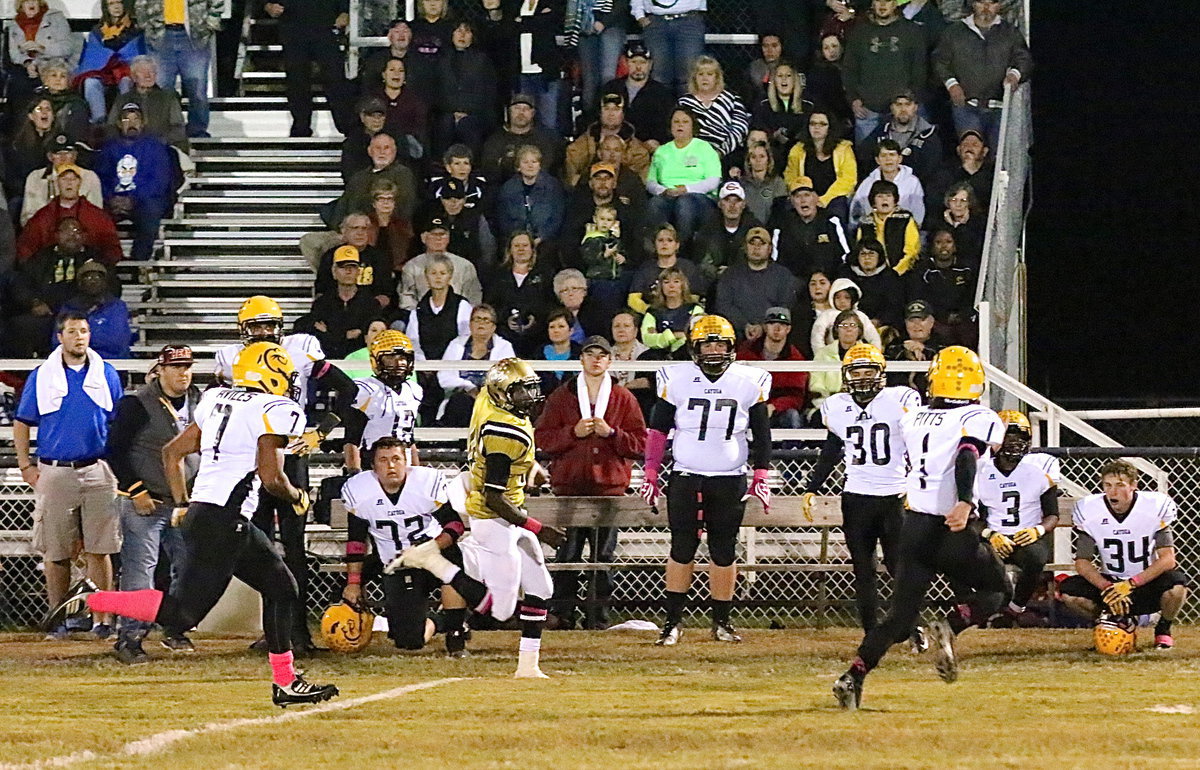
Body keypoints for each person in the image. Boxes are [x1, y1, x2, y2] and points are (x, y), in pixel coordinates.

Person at [59, 343, 340, 706]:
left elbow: (171, 453)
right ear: (268, 372)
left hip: (206, 513)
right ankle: (92, 599)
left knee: (281, 588)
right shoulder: (273, 408)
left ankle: (285, 681)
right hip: (226, 520)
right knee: (181, 614)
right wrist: (298, 496)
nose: (288, 382)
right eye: (284, 374)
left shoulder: (217, 399)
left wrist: (182, 503)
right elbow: (272, 478)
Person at [832, 346, 1008, 710]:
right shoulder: (979, 417)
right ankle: (951, 625)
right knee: (999, 589)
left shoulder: (915, 416)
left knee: (900, 617)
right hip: (951, 526)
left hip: (914, 525)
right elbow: (966, 455)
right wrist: (964, 501)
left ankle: (854, 674)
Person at [394, 358, 567, 677]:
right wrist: (539, 529)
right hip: (494, 520)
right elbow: (493, 496)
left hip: (504, 510)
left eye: (531, 389)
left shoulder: (490, 401)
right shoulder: (505, 433)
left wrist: (531, 468)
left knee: (540, 587)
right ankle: (444, 564)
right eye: (521, 391)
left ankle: (527, 667)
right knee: (500, 611)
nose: (530, 397)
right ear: (503, 395)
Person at [213, 296, 358, 652]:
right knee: (260, 546)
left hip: (291, 454)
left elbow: (348, 389)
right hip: (252, 457)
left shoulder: (301, 348)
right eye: (257, 326)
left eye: (269, 325)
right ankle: (274, 633)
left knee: (294, 546)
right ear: (243, 330)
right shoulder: (230, 358)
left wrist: (320, 431)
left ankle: (299, 634)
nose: (264, 332)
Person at [640, 315, 772, 645]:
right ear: (694, 348)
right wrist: (652, 471)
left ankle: (722, 622)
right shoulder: (677, 378)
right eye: (707, 344)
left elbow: (761, 431)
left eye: (720, 343)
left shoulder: (748, 381)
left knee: (723, 550)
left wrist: (762, 472)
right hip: (686, 474)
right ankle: (671, 623)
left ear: (731, 347)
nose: (714, 350)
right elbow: (658, 430)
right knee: (682, 547)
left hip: (729, 477)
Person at [14, 311, 123, 640]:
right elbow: (23, 422)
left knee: (100, 550)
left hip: (99, 469)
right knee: (56, 552)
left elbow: (119, 421)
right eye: (73, 331)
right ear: (60, 337)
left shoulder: (106, 373)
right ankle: (58, 620)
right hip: (56, 469)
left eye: (85, 331)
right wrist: (25, 466)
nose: (80, 337)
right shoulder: (42, 375)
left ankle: (103, 619)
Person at [804, 344, 920, 632]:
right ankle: (871, 632)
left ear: (881, 373)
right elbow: (832, 450)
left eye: (870, 371)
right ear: (846, 374)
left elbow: (918, 446)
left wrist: (918, 482)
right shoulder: (837, 406)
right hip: (856, 497)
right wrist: (812, 487)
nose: (864, 378)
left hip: (895, 496)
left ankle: (912, 625)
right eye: (858, 371)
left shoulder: (900, 400)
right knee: (863, 570)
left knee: (899, 567)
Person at [536, 336, 646, 630]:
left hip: (608, 490)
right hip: (569, 489)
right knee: (567, 555)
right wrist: (572, 433)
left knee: (602, 558)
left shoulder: (623, 398)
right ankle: (562, 615)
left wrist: (612, 434)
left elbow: (639, 444)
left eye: (602, 355)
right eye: (590, 354)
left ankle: (597, 617)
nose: (596, 359)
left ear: (610, 361)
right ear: (581, 359)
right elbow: (543, 439)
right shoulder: (562, 396)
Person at [104, 344, 201, 663]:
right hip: (144, 501)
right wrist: (135, 489)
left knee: (187, 567)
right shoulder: (136, 403)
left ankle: (174, 626)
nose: (182, 372)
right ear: (159, 369)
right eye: (175, 367)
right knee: (139, 571)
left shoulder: (198, 399)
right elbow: (115, 449)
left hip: (182, 501)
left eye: (187, 366)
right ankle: (129, 636)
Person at [341, 438, 482, 655]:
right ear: (373, 466)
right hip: (397, 563)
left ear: (406, 462)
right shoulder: (360, 492)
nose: (390, 466)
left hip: (433, 555)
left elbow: (454, 526)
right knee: (409, 641)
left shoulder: (424, 484)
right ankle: (439, 619)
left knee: (451, 562)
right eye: (383, 460)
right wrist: (353, 583)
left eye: (396, 459)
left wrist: (431, 548)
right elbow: (356, 541)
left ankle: (455, 635)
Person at [1058, 460, 1189, 651]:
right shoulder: (1090, 510)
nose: (1112, 492)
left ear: (1134, 485)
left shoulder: (1153, 507)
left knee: (1177, 585)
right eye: (1107, 485)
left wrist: (1130, 584)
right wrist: (1108, 587)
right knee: (1069, 591)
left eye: (1120, 485)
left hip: (1144, 583)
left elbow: (1168, 559)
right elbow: (1082, 562)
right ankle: (1114, 619)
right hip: (1110, 583)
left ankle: (1163, 629)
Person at [974, 410, 1061, 626]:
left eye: (1020, 437)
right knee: (963, 556)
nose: (1014, 443)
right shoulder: (980, 470)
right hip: (993, 537)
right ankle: (972, 610)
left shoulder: (1040, 468)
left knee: (1036, 558)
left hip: (1026, 536)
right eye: (1009, 437)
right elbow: (971, 517)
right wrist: (990, 534)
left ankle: (1014, 610)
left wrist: (1036, 531)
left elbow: (1052, 514)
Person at [934, 0, 1032, 149]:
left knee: (997, 158)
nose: (986, 8)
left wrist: (1014, 75)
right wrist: (952, 84)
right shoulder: (954, 32)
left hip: (999, 108)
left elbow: (1024, 59)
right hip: (965, 106)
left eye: (991, 3)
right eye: (981, 2)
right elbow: (940, 61)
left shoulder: (1010, 32)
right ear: (973, 4)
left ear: (999, 6)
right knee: (970, 153)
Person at [264, 0, 353, 137]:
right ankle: (301, 127)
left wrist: (345, 11)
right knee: (297, 80)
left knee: (334, 77)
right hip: (292, 27)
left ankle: (347, 126)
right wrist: (267, 5)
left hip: (325, 24)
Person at [96, 103, 173, 261]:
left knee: (151, 214)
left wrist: (133, 198)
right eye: (126, 119)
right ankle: (109, 261)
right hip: (114, 201)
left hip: (144, 201)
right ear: (119, 123)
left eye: (135, 119)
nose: (131, 123)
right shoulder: (109, 149)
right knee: (95, 218)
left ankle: (139, 262)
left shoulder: (155, 147)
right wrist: (110, 197)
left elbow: (159, 181)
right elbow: (100, 177)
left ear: (143, 122)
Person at [841, 0, 927, 142]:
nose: (882, 5)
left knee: (906, 158)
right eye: (878, 0)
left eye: (887, 1)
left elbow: (919, 69)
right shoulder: (859, 32)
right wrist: (853, 98)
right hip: (867, 109)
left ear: (895, 3)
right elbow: (849, 68)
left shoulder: (911, 31)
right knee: (866, 159)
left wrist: (911, 101)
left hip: (903, 110)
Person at [136, 0, 222, 138]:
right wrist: (145, 24)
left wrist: (210, 23)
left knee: (198, 89)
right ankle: (162, 131)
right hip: (160, 35)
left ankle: (197, 132)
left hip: (194, 35)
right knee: (161, 89)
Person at [342, 331, 423, 475]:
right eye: (391, 358)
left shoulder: (413, 390)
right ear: (377, 360)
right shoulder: (366, 390)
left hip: (403, 463)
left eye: (403, 357)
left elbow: (409, 437)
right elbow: (352, 438)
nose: (399, 363)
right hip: (372, 463)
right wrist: (354, 472)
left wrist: (417, 471)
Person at [17, 164, 123, 264]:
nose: (69, 183)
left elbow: (112, 247)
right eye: (64, 179)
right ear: (57, 183)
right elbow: (26, 247)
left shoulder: (97, 216)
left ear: (79, 182)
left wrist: (98, 264)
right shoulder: (43, 217)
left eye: (73, 179)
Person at [645, 108, 720, 247]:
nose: (680, 125)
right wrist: (663, 191)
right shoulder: (661, 151)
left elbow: (713, 181)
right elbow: (650, 182)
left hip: (699, 198)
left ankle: (683, 249)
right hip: (668, 195)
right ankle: (657, 249)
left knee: (684, 203)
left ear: (693, 126)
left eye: (685, 122)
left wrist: (686, 189)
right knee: (655, 204)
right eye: (676, 122)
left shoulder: (704, 148)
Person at [437, 304, 517, 427]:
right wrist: (468, 387)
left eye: (486, 320)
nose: (481, 323)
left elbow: (508, 378)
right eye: (477, 319)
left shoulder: (504, 346)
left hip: (492, 399)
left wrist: (483, 393)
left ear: (493, 327)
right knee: (461, 402)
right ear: (470, 324)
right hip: (461, 397)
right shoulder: (456, 344)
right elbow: (444, 377)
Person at [714, 227, 798, 340]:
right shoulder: (730, 274)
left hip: (772, 336)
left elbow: (785, 305)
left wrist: (763, 326)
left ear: (770, 249)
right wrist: (745, 325)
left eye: (762, 244)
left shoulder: (783, 275)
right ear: (745, 247)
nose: (756, 247)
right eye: (752, 243)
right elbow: (723, 305)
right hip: (735, 335)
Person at [734, 307, 808, 428]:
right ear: (765, 327)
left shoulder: (795, 358)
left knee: (792, 416)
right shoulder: (746, 351)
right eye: (772, 323)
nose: (777, 329)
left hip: (778, 410)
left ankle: (793, 447)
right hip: (750, 406)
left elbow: (796, 396)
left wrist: (774, 406)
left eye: (782, 325)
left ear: (788, 329)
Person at [302, 248, 381, 359]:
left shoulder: (371, 304)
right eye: (343, 267)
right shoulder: (322, 303)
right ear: (334, 272)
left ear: (358, 272)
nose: (348, 271)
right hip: (329, 359)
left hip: (361, 361)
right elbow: (319, 336)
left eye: (353, 267)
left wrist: (331, 333)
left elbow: (367, 338)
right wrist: (347, 335)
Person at [330, 132, 418, 231]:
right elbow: (343, 206)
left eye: (386, 148)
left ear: (394, 151)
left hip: (386, 231)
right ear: (370, 151)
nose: (382, 152)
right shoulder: (358, 177)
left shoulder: (403, 174)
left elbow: (405, 208)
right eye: (378, 148)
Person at [75, 0, 145, 125]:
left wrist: (116, 55)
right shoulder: (97, 31)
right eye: (111, 3)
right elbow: (93, 57)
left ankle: (127, 121)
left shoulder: (136, 29)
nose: (116, 7)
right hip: (102, 71)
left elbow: (136, 54)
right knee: (91, 83)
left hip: (126, 71)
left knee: (126, 82)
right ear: (106, 7)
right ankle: (99, 122)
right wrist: (110, 56)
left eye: (119, 2)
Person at [905, 227, 978, 347]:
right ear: (932, 246)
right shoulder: (922, 270)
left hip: (962, 319)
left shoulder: (967, 269)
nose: (944, 246)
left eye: (948, 242)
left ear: (955, 246)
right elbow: (918, 299)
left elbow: (972, 296)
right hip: (935, 319)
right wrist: (942, 316)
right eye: (938, 242)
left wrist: (961, 315)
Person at [435, 20, 497, 157]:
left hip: (475, 115)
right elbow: (436, 91)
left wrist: (467, 112)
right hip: (446, 113)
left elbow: (489, 93)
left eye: (467, 31)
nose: (462, 35)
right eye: (458, 31)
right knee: (444, 125)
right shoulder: (441, 59)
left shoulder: (482, 60)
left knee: (468, 126)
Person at [485, 231, 552, 359]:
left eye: (525, 245)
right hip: (504, 338)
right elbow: (490, 305)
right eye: (516, 246)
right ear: (509, 250)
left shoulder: (546, 274)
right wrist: (505, 319)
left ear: (532, 249)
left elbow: (550, 303)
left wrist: (535, 319)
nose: (521, 249)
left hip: (537, 339)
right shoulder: (497, 275)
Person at [563, 93, 652, 188]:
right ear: (600, 113)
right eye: (606, 109)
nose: (611, 114)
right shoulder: (580, 146)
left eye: (616, 109)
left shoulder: (638, 152)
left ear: (623, 114)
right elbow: (571, 180)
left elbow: (640, 184)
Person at [783, 110, 856, 223]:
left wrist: (824, 199)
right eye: (813, 124)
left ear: (830, 128)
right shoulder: (797, 149)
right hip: (804, 197)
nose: (817, 127)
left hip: (834, 198)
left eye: (822, 124)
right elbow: (790, 176)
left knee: (837, 210)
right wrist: (805, 197)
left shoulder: (844, 148)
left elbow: (848, 179)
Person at [398, 218, 484, 312]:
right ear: (423, 237)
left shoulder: (465, 266)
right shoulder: (411, 266)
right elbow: (406, 298)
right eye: (434, 234)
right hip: (421, 316)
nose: (438, 238)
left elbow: (474, 296)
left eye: (442, 234)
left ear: (448, 238)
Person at [103, 55, 187, 150]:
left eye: (151, 72)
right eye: (143, 72)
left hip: (161, 149)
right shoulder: (123, 99)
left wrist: (158, 143)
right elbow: (111, 127)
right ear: (134, 77)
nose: (148, 76)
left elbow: (178, 128)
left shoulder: (168, 98)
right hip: (129, 150)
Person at [858, 90, 942, 183]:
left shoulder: (928, 136)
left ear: (915, 107)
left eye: (908, 104)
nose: (903, 109)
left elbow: (931, 172)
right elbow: (864, 158)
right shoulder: (880, 132)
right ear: (892, 108)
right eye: (898, 105)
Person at [5, 0, 74, 114]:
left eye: (34, 1)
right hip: (26, 66)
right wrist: (27, 63)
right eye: (27, 1)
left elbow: (67, 48)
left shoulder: (55, 18)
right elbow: (14, 53)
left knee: (54, 78)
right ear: (21, 5)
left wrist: (41, 48)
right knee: (18, 83)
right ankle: (20, 125)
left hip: (53, 63)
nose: (31, 4)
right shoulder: (14, 23)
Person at [769, 182, 850, 279]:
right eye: (797, 196)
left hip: (828, 281)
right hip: (792, 283)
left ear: (816, 198)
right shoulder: (781, 224)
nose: (803, 200)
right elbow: (774, 260)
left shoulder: (832, 221)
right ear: (792, 202)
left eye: (807, 195)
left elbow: (847, 256)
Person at [20, 133, 104, 226]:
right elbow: (27, 216)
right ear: (50, 157)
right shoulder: (35, 178)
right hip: (43, 232)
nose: (63, 158)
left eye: (67, 153)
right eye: (58, 153)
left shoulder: (90, 177)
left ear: (75, 155)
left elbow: (96, 215)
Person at [601, 42, 673, 149]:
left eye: (643, 62)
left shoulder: (662, 93)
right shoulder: (611, 88)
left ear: (650, 64)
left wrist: (657, 141)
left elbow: (667, 126)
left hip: (646, 149)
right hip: (612, 146)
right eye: (634, 62)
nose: (638, 67)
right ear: (626, 63)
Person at [480, 94, 564, 185]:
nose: (521, 113)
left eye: (526, 109)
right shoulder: (495, 140)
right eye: (517, 108)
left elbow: (548, 167)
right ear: (509, 111)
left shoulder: (545, 139)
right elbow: (490, 170)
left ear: (532, 113)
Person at [676, 56, 751, 158]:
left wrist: (720, 152)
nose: (705, 78)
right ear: (694, 78)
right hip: (691, 154)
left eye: (710, 74)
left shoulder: (732, 99)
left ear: (717, 77)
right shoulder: (684, 102)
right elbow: (679, 130)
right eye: (700, 74)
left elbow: (740, 129)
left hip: (726, 154)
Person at [58, 260, 132, 359]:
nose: (93, 281)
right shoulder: (69, 307)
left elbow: (116, 341)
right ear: (80, 283)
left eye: (98, 277)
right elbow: (59, 341)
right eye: (88, 277)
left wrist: (81, 342)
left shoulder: (117, 306)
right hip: (76, 361)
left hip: (113, 361)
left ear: (105, 283)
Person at [566, 0, 629, 115]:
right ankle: (590, 121)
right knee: (589, 79)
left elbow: (622, 3)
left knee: (608, 77)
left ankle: (611, 118)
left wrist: (604, 22)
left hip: (612, 25)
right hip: (584, 27)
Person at [631, 0, 705, 96]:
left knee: (689, 74)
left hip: (689, 19)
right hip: (656, 21)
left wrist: (701, 11)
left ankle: (688, 109)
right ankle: (662, 109)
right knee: (659, 75)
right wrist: (639, 16)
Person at [495, 145, 566, 244]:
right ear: (518, 167)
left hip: (546, 240)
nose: (530, 165)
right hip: (515, 241)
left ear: (539, 165)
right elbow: (504, 219)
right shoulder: (508, 189)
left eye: (534, 162)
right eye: (525, 162)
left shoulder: (553, 186)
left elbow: (557, 217)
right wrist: (519, 239)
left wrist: (541, 237)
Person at [849, 139, 925, 231]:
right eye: (883, 155)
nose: (888, 159)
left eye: (892, 155)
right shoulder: (867, 183)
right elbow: (856, 212)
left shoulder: (912, 182)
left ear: (900, 158)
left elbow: (918, 212)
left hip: (903, 230)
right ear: (877, 160)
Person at [695, 180, 760, 285]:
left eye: (737, 201)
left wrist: (732, 271)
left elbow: (760, 260)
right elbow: (701, 262)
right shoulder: (707, 228)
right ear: (720, 204)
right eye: (727, 200)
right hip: (713, 283)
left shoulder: (754, 228)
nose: (732, 205)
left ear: (743, 204)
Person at [408, 254, 472, 362]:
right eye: (433, 273)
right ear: (426, 276)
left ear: (450, 276)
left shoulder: (462, 305)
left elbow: (465, 338)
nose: (438, 277)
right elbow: (413, 341)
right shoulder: (419, 309)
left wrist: (446, 364)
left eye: (443, 273)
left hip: (454, 366)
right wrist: (423, 364)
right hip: (425, 368)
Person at [627, 224, 702, 314]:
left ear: (677, 245)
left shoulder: (688, 267)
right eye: (660, 240)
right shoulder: (645, 268)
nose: (664, 244)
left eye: (669, 240)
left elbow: (693, 297)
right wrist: (651, 313)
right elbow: (633, 299)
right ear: (655, 244)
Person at [360, 19, 437, 104]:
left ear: (411, 36)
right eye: (397, 31)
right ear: (390, 36)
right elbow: (367, 89)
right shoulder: (375, 61)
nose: (401, 35)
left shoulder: (422, 62)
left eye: (405, 31)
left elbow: (427, 93)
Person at [751, 61, 812, 166]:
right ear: (773, 80)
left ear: (795, 79)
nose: (784, 79)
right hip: (771, 153)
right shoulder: (762, 104)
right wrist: (773, 136)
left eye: (788, 75)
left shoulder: (808, 104)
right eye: (779, 76)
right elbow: (758, 129)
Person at [808, 309, 870, 412]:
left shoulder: (868, 353)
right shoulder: (823, 354)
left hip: (861, 404)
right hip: (828, 404)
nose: (848, 329)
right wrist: (833, 400)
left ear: (859, 330)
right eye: (844, 326)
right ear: (836, 329)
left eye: (853, 325)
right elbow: (816, 384)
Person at [854, 179, 920, 274]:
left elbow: (912, 251)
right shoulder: (865, 222)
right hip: (873, 274)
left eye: (889, 196)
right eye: (880, 196)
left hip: (903, 273)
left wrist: (896, 271)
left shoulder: (905, 219)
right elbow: (861, 250)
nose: (885, 200)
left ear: (895, 200)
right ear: (873, 201)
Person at [840, 238, 903, 332]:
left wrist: (879, 321)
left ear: (879, 256)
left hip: (881, 325)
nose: (867, 258)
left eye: (871, 254)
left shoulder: (890, 276)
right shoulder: (846, 275)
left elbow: (895, 306)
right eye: (863, 254)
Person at [884, 299, 946, 393]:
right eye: (912, 320)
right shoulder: (894, 345)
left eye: (922, 320)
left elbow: (947, 361)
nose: (917, 325)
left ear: (932, 322)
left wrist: (925, 349)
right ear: (905, 323)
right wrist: (904, 350)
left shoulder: (943, 344)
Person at [369, 57, 429, 153]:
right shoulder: (372, 99)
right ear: (384, 74)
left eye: (401, 71)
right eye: (392, 70)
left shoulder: (415, 100)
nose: (397, 74)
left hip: (405, 145)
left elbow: (419, 129)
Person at [811, 275, 883, 353]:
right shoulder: (826, 315)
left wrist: (875, 355)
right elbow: (817, 337)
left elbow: (873, 337)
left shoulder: (860, 316)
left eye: (847, 297)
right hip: (832, 357)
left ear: (853, 299)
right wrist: (821, 356)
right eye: (838, 297)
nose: (842, 301)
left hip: (858, 355)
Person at [930, 181, 985, 266]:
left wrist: (962, 226)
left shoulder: (978, 223)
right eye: (954, 200)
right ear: (948, 202)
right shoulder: (938, 222)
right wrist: (950, 225)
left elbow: (970, 249)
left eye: (963, 201)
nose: (958, 204)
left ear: (969, 203)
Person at [738, 142, 788, 226]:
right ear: (749, 161)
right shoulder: (741, 184)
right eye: (753, 157)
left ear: (768, 159)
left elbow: (781, 211)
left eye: (762, 156)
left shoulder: (777, 183)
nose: (758, 160)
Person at [537, 308, 582, 393]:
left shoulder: (581, 353)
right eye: (552, 327)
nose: (556, 330)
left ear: (571, 330)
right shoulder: (538, 354)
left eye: (561, 326)